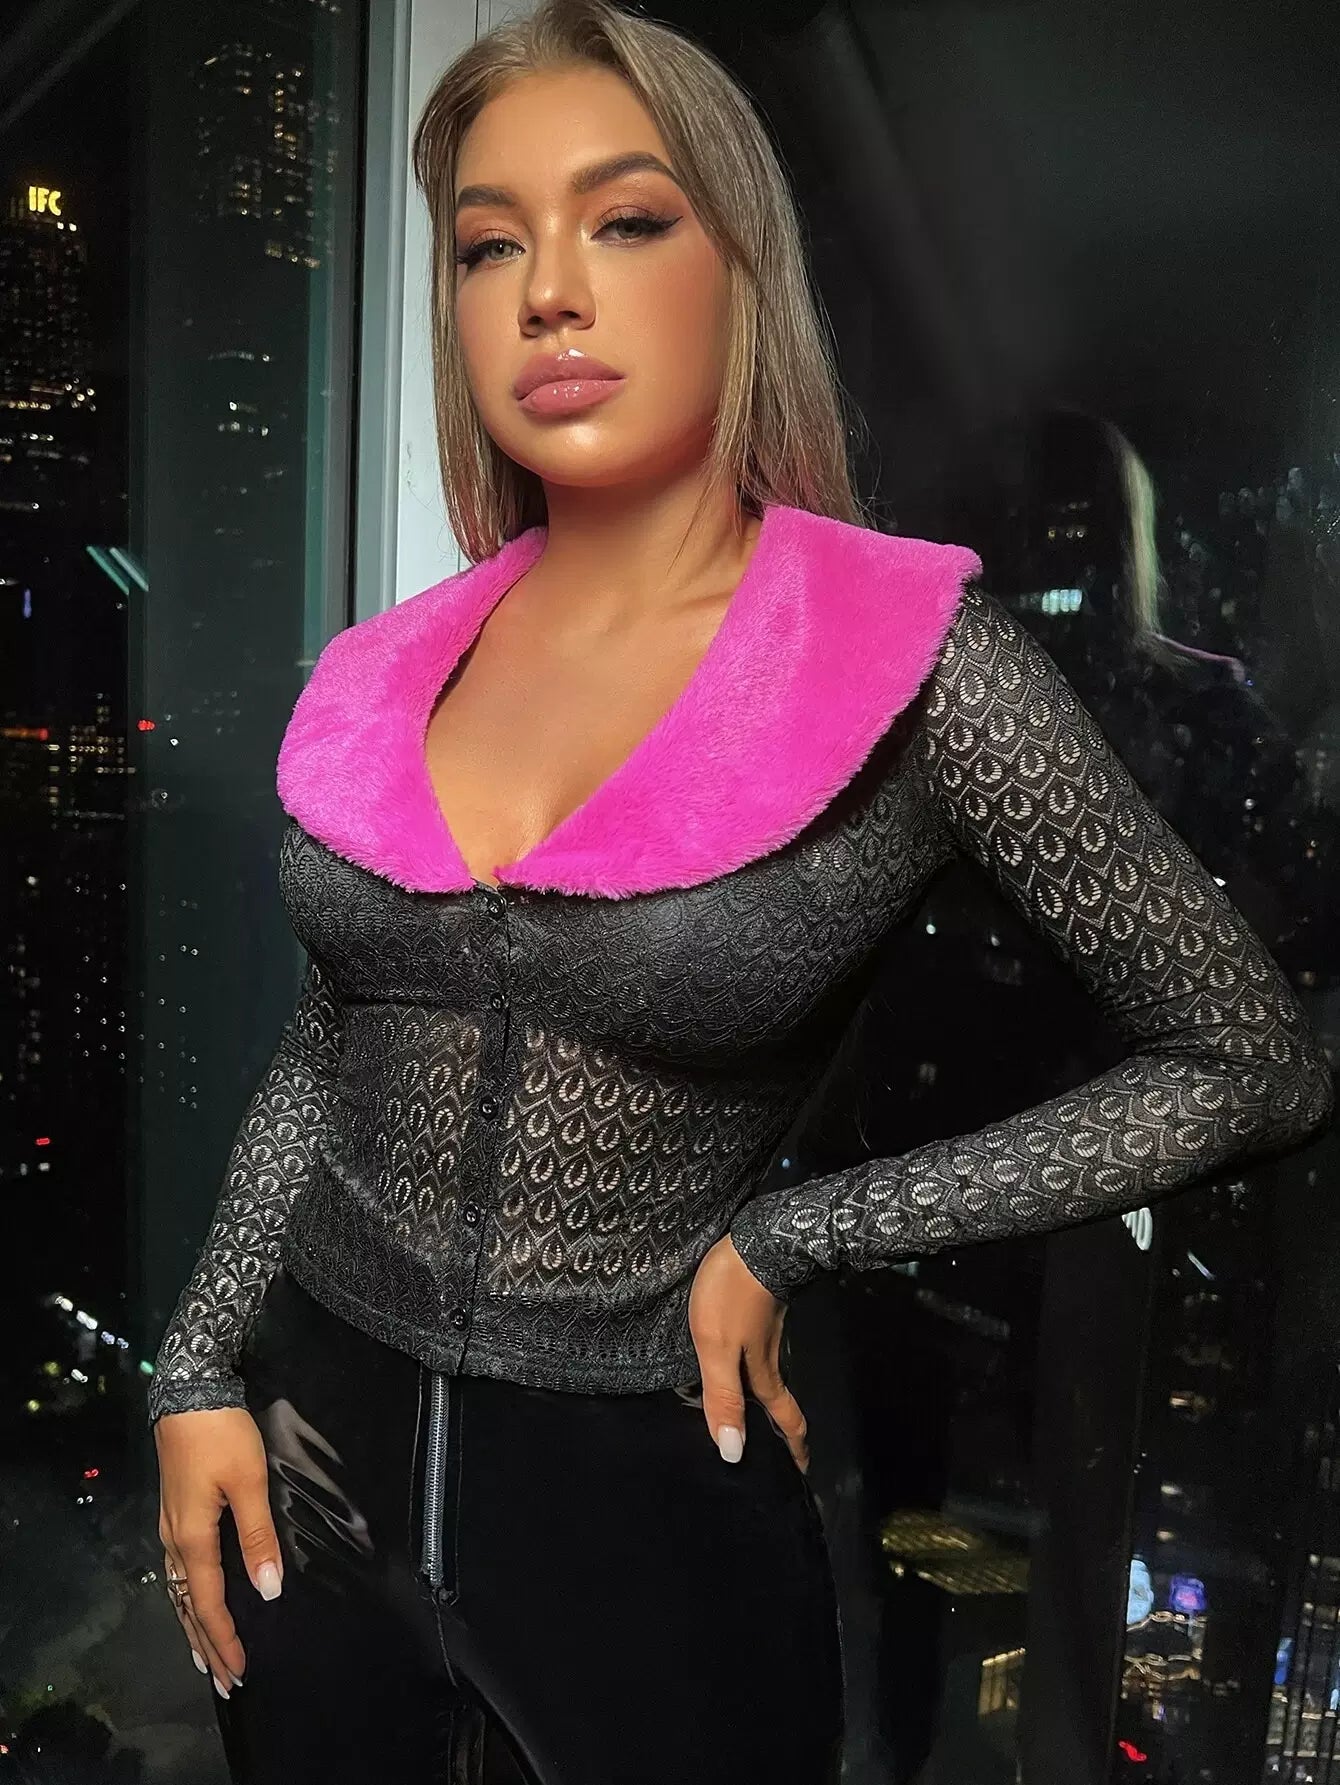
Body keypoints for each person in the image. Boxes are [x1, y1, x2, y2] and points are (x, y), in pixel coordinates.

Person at [147, 3, 1335, 1781]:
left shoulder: (911, 664)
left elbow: (1250, 1058)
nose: (550, 292)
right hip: (310, 1469)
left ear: (743, 268)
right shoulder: (385, 669)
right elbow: (327, 1047)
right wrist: (191, 1371)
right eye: (488, 245)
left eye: (627, 219)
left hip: (647, 1515)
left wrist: (798, 1232)